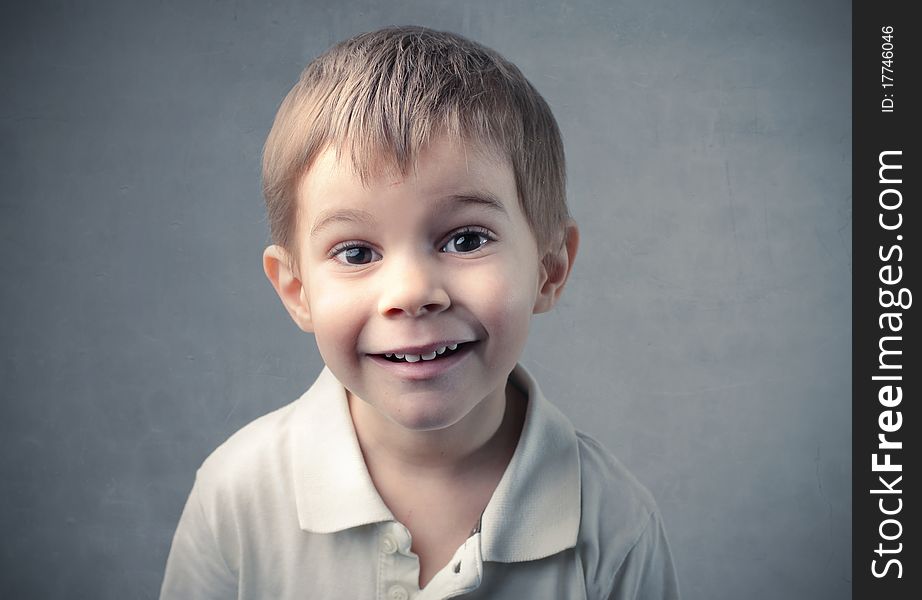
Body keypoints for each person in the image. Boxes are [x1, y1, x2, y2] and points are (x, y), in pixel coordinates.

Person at [160, 25, 680, 600]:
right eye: (356, 253)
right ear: (296, 290)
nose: (411, 292)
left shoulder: (614, 527)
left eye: (465, 240)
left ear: (549, 268)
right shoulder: (236, 498)